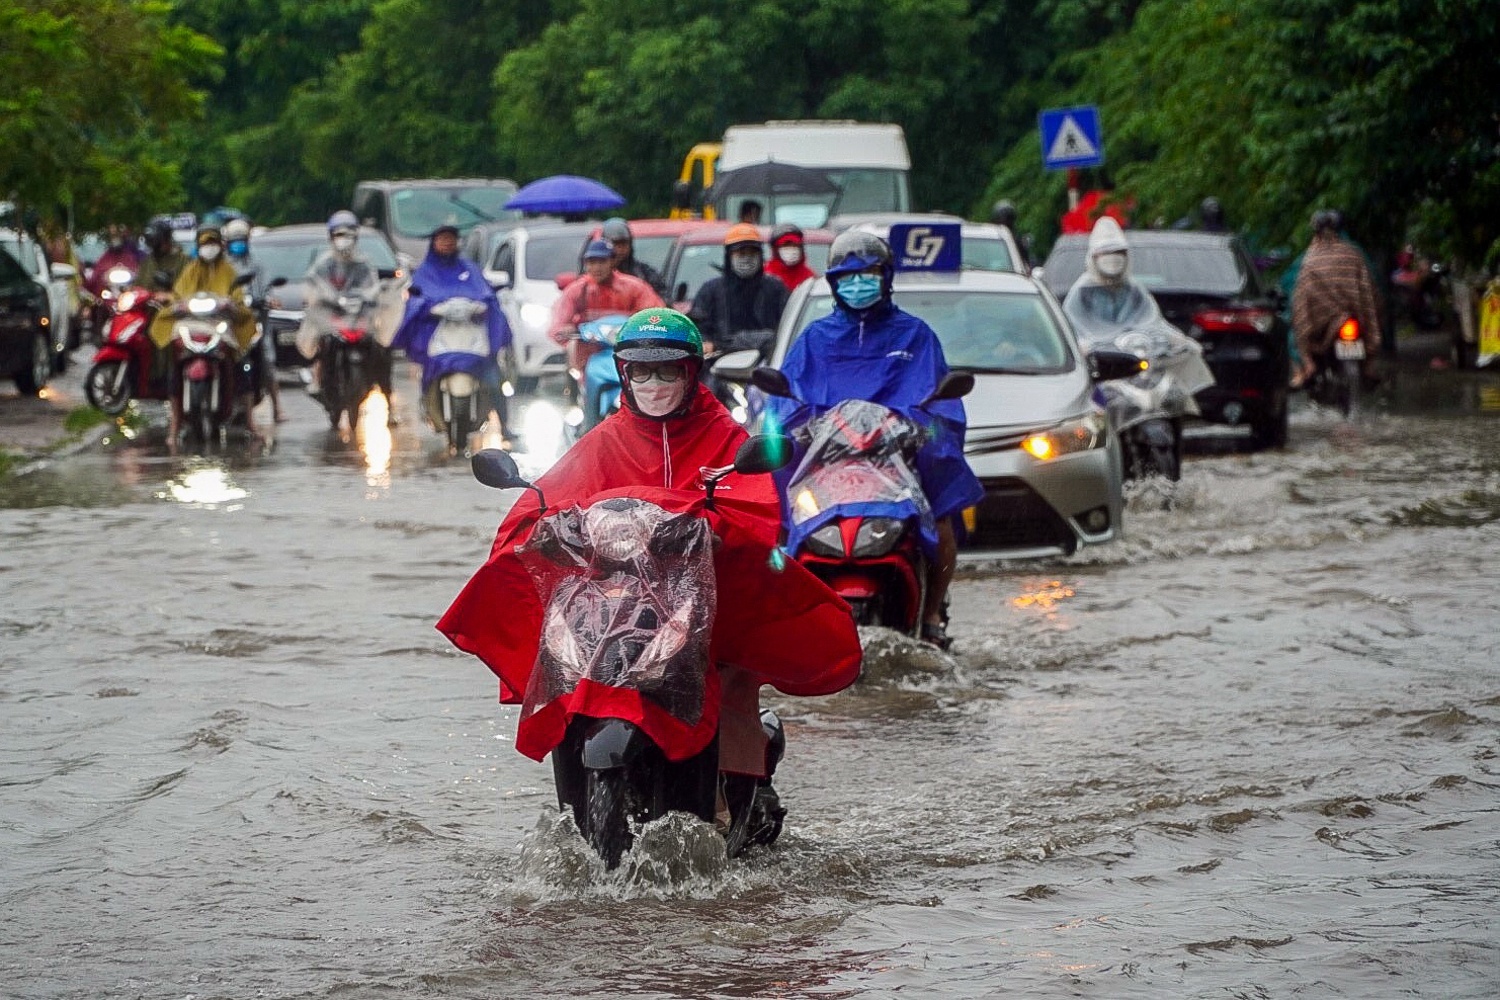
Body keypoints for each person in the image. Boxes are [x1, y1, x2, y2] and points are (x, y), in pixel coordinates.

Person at [435, 307, 861, 837]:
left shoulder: (725, 439)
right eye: (641, 370)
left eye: (667, 370)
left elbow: (756, 515)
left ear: (691, 372)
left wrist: (714, 530)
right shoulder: (604, 440)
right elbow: (542, 506)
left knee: (728, 680)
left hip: (702, 606)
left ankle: (730, 801)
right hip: (615, 610)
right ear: (623, 373)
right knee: (570, 672)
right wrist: (541, 531)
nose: (653, 382)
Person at [762, 231, 984, 650]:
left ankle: (931, 613)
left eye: (867, 275)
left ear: (886, 277)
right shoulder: (814, 339)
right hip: (826, 463)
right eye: (847, 277)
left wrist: (923, 430)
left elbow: (941, 405)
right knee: (772, 518)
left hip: (900, 460)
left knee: (941, 514)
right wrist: (796, 430)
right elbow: (785, 403)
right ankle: (779, 613)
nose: (858, 284)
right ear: (833, 283)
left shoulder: (916, 336)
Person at [393, 223, 514, 438]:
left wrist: (480, 306)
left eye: (451, 238)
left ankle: (504, 426)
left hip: (472, 335)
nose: (447, 243)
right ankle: (428, 406)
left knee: (494, 376)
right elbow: (417, 298)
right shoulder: (425, 272)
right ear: (434, 243)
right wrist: (429, 308)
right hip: (439, 336)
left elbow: (486, 293)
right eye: (443, 239)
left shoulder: (470, 269)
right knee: (428, 371)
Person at [149, 226, 259, 441]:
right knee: (175, 366)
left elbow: (237, 298)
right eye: (205, 244)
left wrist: (230, 304)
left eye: (213, 243)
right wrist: (177, 305)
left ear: (220, 246)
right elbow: (177, 295)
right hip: (191, 324)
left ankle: (250, 422)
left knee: (243, 366)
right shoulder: (190, 271)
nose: (209, 248)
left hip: (220, 325)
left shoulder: (228, 271)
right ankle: (175, 425)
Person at [302, 211, 395, 422]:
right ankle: (317, 379)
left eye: (348, 235)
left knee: (381, 350)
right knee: (320, 344)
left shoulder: (364, 263)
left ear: (356, 237)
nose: (344, 240)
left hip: (360, 317)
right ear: (331, 237)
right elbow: (313, 285)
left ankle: (388, 399)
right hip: (333, 318)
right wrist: (322, 298)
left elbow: (372, 286)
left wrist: (376, 295)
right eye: (339, 235)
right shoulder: (323, 264)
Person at [1291, 209, 1383, 386]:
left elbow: (1302, 300)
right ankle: (1368, 367)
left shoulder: (1310, 259)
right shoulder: (1353, 254)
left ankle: (1308, 365)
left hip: (1322, 322)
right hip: (1354, 316)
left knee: (1297, 328)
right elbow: (1368, 291)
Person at [549, 238, 662, 382]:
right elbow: (557, 325)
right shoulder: (577, 291)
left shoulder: (634, 287)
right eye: (592, 262)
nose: (597, 268)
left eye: (602, 262)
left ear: (613, 262)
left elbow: (656, 314)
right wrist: (568, 331)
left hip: (630, 354)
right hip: (587, 359)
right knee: (572, 380)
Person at [688, 223, 789, 358]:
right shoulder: (710, 291)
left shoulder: (776, 289)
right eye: (741, 253)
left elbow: (788, 326)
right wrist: (706, 343)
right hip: (720, 361)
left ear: (760, 256)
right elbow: (696, 329)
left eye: (752, 253)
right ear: (729, 256)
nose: (747, 258)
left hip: (769, 359)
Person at [223, 218, 285, 423]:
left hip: (256, 321)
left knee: (267, 359)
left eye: (241, 240)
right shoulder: (223, 266)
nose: (238, 245)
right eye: (234, 241)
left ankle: (277, 407)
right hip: (231, 323)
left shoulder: (257, 265)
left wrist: (269, 299)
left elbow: (266, 288)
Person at [1062, 216, 1159, 326]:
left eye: (1118, 252)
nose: (1112, 257)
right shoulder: (1083, 291)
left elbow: (1152, 321)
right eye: (1106, 252)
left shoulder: (1134, 290)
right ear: (1094, 257)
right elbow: (1069, 325)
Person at [601, 217, 666, 297]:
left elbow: (663, 300)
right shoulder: (596, 274)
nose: (620, 249)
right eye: (616, 244)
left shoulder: (645, 273)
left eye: (624, 243)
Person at [764, 223, 815, 292]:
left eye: (795, 246)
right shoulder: (766, 275)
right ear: (776, 250)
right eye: (786, 246)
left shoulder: (809, 277)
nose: (792, 250)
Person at [141, 219, 187, 292]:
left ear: (168, 240)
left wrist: (170, 295)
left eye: (159, 243)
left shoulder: (183, 260)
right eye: (153, 244)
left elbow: (187, 288)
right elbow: (139, 285)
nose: (156, 248)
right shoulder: (148, 261)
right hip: (148, 298)